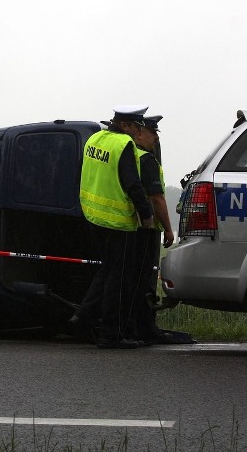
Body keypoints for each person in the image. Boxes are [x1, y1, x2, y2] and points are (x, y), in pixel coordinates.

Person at [75, 105, 154, 349]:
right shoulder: (123, 145)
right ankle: (110, 334)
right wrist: (146, 214)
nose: (138, 133)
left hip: (93, 217)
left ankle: (83, 316)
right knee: (118, 280)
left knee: (108, 271)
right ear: (125, 125)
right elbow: (132, 183)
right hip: (118, 221)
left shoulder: (94, 139)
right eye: (137, 127)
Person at [127, 115, 179, 344]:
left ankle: (133, 326)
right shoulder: (146, 160)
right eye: (152, 132)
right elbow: (157, 198)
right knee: (145, 282)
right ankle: (144, 327)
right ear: (140, 133)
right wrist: (169, 229)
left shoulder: (130, 156)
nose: (156, 138)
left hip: (130, 228)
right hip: (145, 229)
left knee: (130, 280)